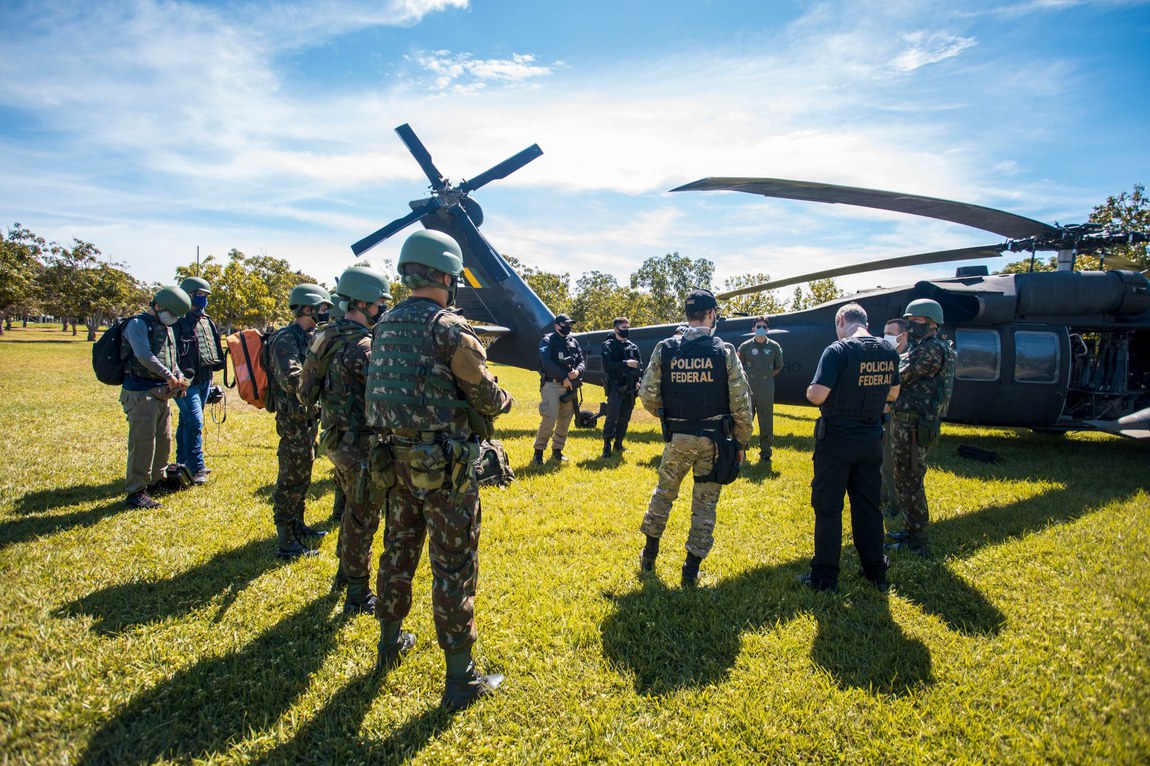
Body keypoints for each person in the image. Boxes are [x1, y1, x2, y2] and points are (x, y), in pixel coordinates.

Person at [366, 229, 513, 712]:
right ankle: (460, 680)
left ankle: (389, 642)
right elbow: (485, 394)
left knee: (397, 551)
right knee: (453, 567)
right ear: (447, 275)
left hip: (394, 461)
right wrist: (503, 399)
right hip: (445, 470)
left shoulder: (384, 323)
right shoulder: (448, 328)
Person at [637, 289, 754, 587]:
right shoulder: (724, 350)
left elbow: (648, 395)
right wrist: (740, 443)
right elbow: (742, 403)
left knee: (664, 493)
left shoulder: (665, 348)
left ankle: (649, 555)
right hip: (714, 441)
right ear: (712, 314)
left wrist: (669, 416)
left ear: (688, 315)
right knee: (705, 503)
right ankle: (690, 570)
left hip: (678, 437)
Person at [299, 267, 391, 614]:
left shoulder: (325, 336)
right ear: (364, 302)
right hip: (361, 446)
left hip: (335, 439)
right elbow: (383, 399)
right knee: (363, 519)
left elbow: (304, 389)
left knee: (352, 511)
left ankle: (343, 574)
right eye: (380, 303)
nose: (382, 308)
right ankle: (357, 593)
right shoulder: (362, 347)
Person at [800, 303, 900, 593]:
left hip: (837, 442)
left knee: (829, 508)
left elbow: (818, 396)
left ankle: (825, 579)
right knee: (868, 507)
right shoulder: (888, 351)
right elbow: (893, 393)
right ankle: (876, 573)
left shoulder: (838, 350)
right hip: (871, 440)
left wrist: (810, 390)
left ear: (841, 321)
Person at [268, 283, 333, 559]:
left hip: (308, 418)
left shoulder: (309, 336)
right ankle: (286, 542)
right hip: (293, 420)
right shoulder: (286, 339)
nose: (324, 313)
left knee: (303, 474)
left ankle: (297, 524)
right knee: (290, 479)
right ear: (307, 308)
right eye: (321, 308)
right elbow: (291, 379)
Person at [887, 299, 956, 557]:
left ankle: (917, 540)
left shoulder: (931, 351)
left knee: (911, 481)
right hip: (908, 421)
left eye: (915, 321)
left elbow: (899, 374)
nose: (910, 325)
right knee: (903, 478)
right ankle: (909, 529)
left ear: (931, 323)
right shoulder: (924, 347)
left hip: (915, 425)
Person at [120, 286, 192, 508]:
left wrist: (178, 376)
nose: (174, 318)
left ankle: (155, 481)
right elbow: (144, 355)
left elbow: (172, 358)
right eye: (172, 313)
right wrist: (169, 376)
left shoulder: (166, 328)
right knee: (143, 443)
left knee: (164, 440)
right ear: (158, 306)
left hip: (162, 394)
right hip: (142, 393)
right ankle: (136, 491)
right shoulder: (137, 324)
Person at [172, 276, 226, 485]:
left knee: (186, 421)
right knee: (194, 422)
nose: (203, 299)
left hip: (205, 379)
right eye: (199, 295)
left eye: (205, 296)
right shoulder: (177, 321)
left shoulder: (206, 320)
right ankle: (197, 467)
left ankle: (182, 462)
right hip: (185, 382)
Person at [531, 313, 584, 466]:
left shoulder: (573, 342)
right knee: (550, 417)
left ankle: (557, 451)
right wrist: (564, 378)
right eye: (565, 325)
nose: (568, 328)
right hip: (552, 385)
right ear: (557, 326)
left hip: (570, 386)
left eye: (570, 325)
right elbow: (546, 363)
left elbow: (581, 360)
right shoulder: (548, 341)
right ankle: (538, 452)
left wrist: (578, 372)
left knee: (565, 419)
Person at [736, 315, 784, 466]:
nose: (761, 329)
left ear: (768, 329)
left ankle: (766, 454)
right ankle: (743, 449)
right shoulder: (745, 346)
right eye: (758, 327)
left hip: (766, 388)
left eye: (764, 327)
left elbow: (778, 366)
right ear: (753, 328)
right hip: (748, 388)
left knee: (766, 421)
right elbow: (738, 366)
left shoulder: (774, 347)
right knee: (745, 419)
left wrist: (766, 376)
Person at [600, 317, 642, 459]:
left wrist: (639, 381)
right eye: (623, 328)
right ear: (616, 329)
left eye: (627, 327)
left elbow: (639, 367)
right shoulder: (609, 346)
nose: (626, 330)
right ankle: (607, 446)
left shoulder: (633, 346)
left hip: (631, 388)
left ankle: (619, 443)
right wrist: (625, 363)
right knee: (612, 416)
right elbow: (607, 366)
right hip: (617, 387)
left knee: (625, 418)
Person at [879, 318, 908, 519]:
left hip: (898, 417)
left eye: (890, 332)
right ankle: (882, 496)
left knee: (890, 463)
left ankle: (895, 504)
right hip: (884, 416)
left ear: (902, 335)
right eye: (884, 332)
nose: (885, 337)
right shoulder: (889, 357)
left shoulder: (908, 359)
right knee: (881, 459)